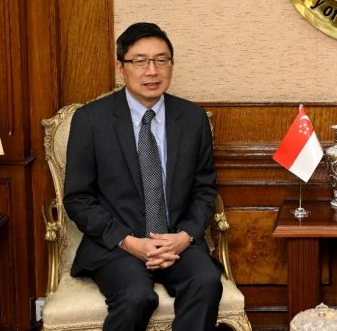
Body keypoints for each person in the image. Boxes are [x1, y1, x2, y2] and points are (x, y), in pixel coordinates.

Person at [64, 22, 222, 330]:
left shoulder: (192, 118)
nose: (152, 71)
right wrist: (128, 242)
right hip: (117, 245)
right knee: (136, 297)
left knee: (205, 281)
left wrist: (184, 237)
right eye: (140, 61)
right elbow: (78, 198)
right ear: (121, 68)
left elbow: (204, 189)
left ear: (171, 65)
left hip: (175, 240)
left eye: (161, 60)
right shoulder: (91, 120)